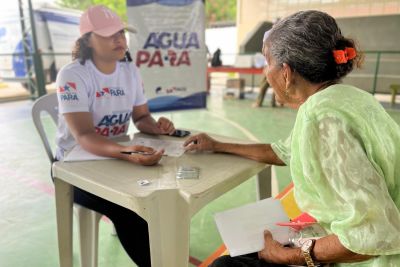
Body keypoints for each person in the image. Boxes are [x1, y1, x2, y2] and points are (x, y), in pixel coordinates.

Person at [184, 10, 400, 267]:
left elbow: (373, 235)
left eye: (267, 63)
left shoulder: (321, 118)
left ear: (286, 73)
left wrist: (291, 255)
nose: (266, 73)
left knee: (227, 265)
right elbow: (285, 151)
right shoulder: (349, 98)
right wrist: (216, 145)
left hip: (379, 258)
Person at [55, 5, 175, 266]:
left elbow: (141, 118)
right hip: (75, 169)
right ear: (87, 39)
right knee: (129, 209)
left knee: (163, 192)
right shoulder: (73, 75)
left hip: (116, 160)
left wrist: (157, 127)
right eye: (110, 34)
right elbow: (84, 136)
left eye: (121, 32)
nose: (119, 39)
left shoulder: (129, 70)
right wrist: (128, 152)